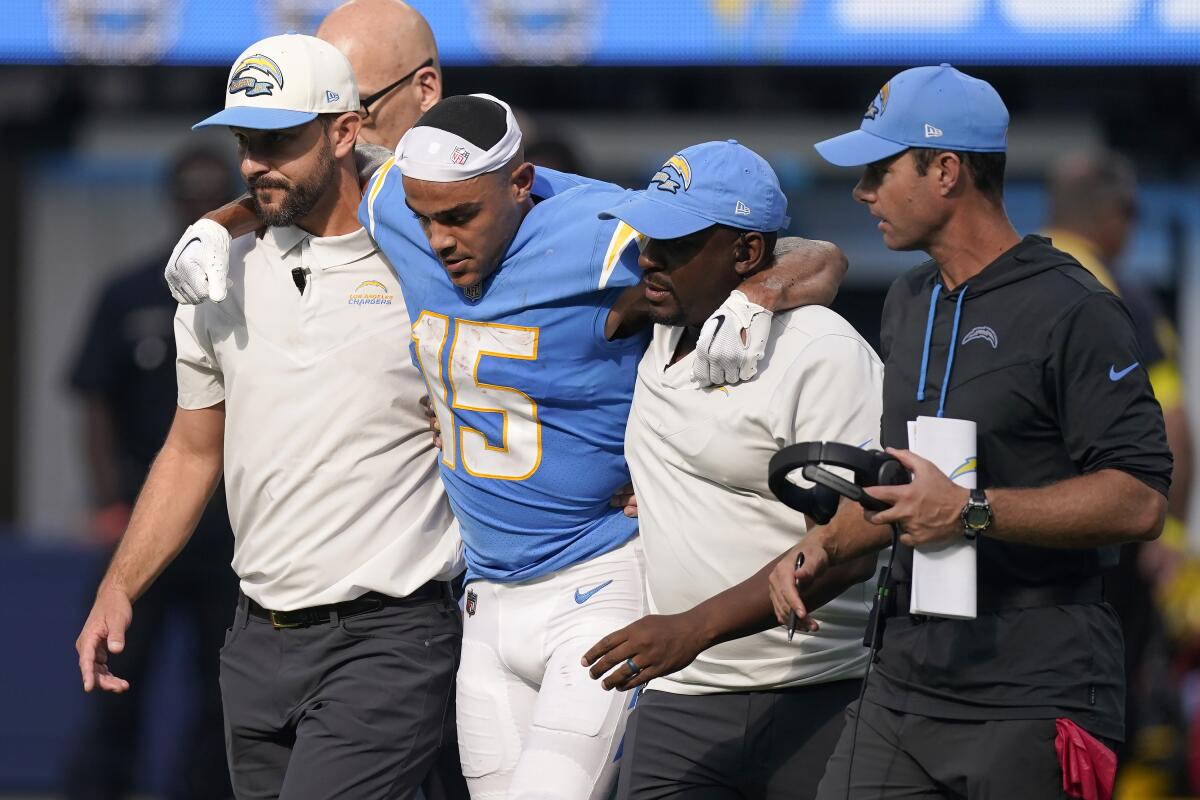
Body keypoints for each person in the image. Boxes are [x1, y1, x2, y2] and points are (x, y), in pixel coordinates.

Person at [361, 95, 847, 799]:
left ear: (520, 184)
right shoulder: (395, 205)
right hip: (486, 597)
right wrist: (221, 224)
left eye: (460, 217)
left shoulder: (599, 233)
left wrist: (757, 296)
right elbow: (312, 173)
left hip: (596, 581)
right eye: (423, 217)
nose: (437, 239)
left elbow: (813, 254)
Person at [75, 34, 464, 800]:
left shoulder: (431, 258)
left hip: (391, 637)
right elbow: (191, 451)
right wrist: (120, 583)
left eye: (280, 139)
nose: (255, 162)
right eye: (246, 141)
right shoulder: (213, 276)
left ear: (346, 131)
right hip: (255, 639)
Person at [770, 63, 1172, 799]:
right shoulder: (908, 298)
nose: (861, 193)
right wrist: (819, 548)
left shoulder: (1075, 308)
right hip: (906, 674)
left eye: (878, 171)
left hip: (1036, 684)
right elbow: (907, 489)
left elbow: (1140, 500)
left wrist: (971, 510)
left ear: (946, 170)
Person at [576, 140, 884, 799]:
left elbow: (853, 551)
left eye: (676, 242)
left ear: (745, 254)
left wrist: (694, 628)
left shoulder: (820, 351)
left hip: (821, 696)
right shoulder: (656, 326)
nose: (648, 258)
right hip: (680, 700)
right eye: (646, 236)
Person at [64, 147, 238, 800]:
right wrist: (108, 501)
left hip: (231, 527)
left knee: (222, 693)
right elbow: (94, 400)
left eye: (212, 192)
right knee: (114, 679)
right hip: (148, 514)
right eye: (189, 191)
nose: (199, 203)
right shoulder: (131, 290)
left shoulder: (260, 291)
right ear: (170, 199)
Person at [1046, 150, 1193, 787]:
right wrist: (1173, 535)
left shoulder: (1002, 280)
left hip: (1003, 533)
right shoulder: (1118, 296)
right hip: (1106, 541)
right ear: (1119, 217)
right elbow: (1173, 428)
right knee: (1111, 710)